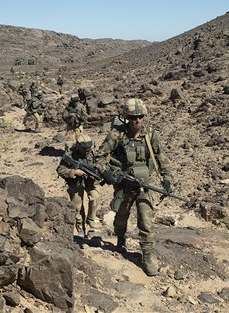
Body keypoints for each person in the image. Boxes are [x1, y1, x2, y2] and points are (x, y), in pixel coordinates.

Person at [95, 98, 173, 277]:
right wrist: (105, 172)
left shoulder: (151, 135)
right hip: (124, 186)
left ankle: (147, 256)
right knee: (121, 217)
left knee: (146, 221)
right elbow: (99, 157)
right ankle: (120, 239)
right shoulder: (116, 135)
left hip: (143, 186)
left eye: (139, 117)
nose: (136, 121)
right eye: (132, 118)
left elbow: (161, 158)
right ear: (126, 118)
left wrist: (167, 179)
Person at [56, 134, 101, 237]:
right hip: (75, 183)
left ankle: (91, 220)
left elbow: (101, 163)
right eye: (84, 150)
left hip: (90, 181)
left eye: (88, 149)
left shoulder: (92, 153)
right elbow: (60, 170)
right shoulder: (70, 155)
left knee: (94, 197)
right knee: (77, 207)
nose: (87, 152)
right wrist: (74, 172)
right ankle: (80, 228)